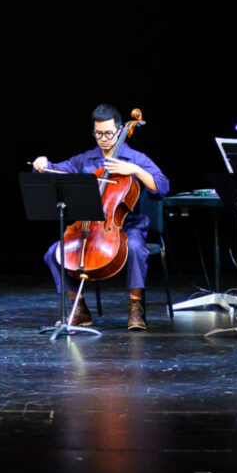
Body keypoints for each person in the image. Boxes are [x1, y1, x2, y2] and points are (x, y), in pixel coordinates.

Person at [31, 104, 170, 330]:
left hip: (127, 227)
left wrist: (135, 170)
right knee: (54, 253)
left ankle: (136, 308)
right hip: (90, 227)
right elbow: (58, 170)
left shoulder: (135, 158)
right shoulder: (86, 160)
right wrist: (44, 164)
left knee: (134, 248)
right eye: (98, 134)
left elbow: (163, 186)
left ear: (118, 130)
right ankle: (79, 309)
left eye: (108, 133)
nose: (103, 139)